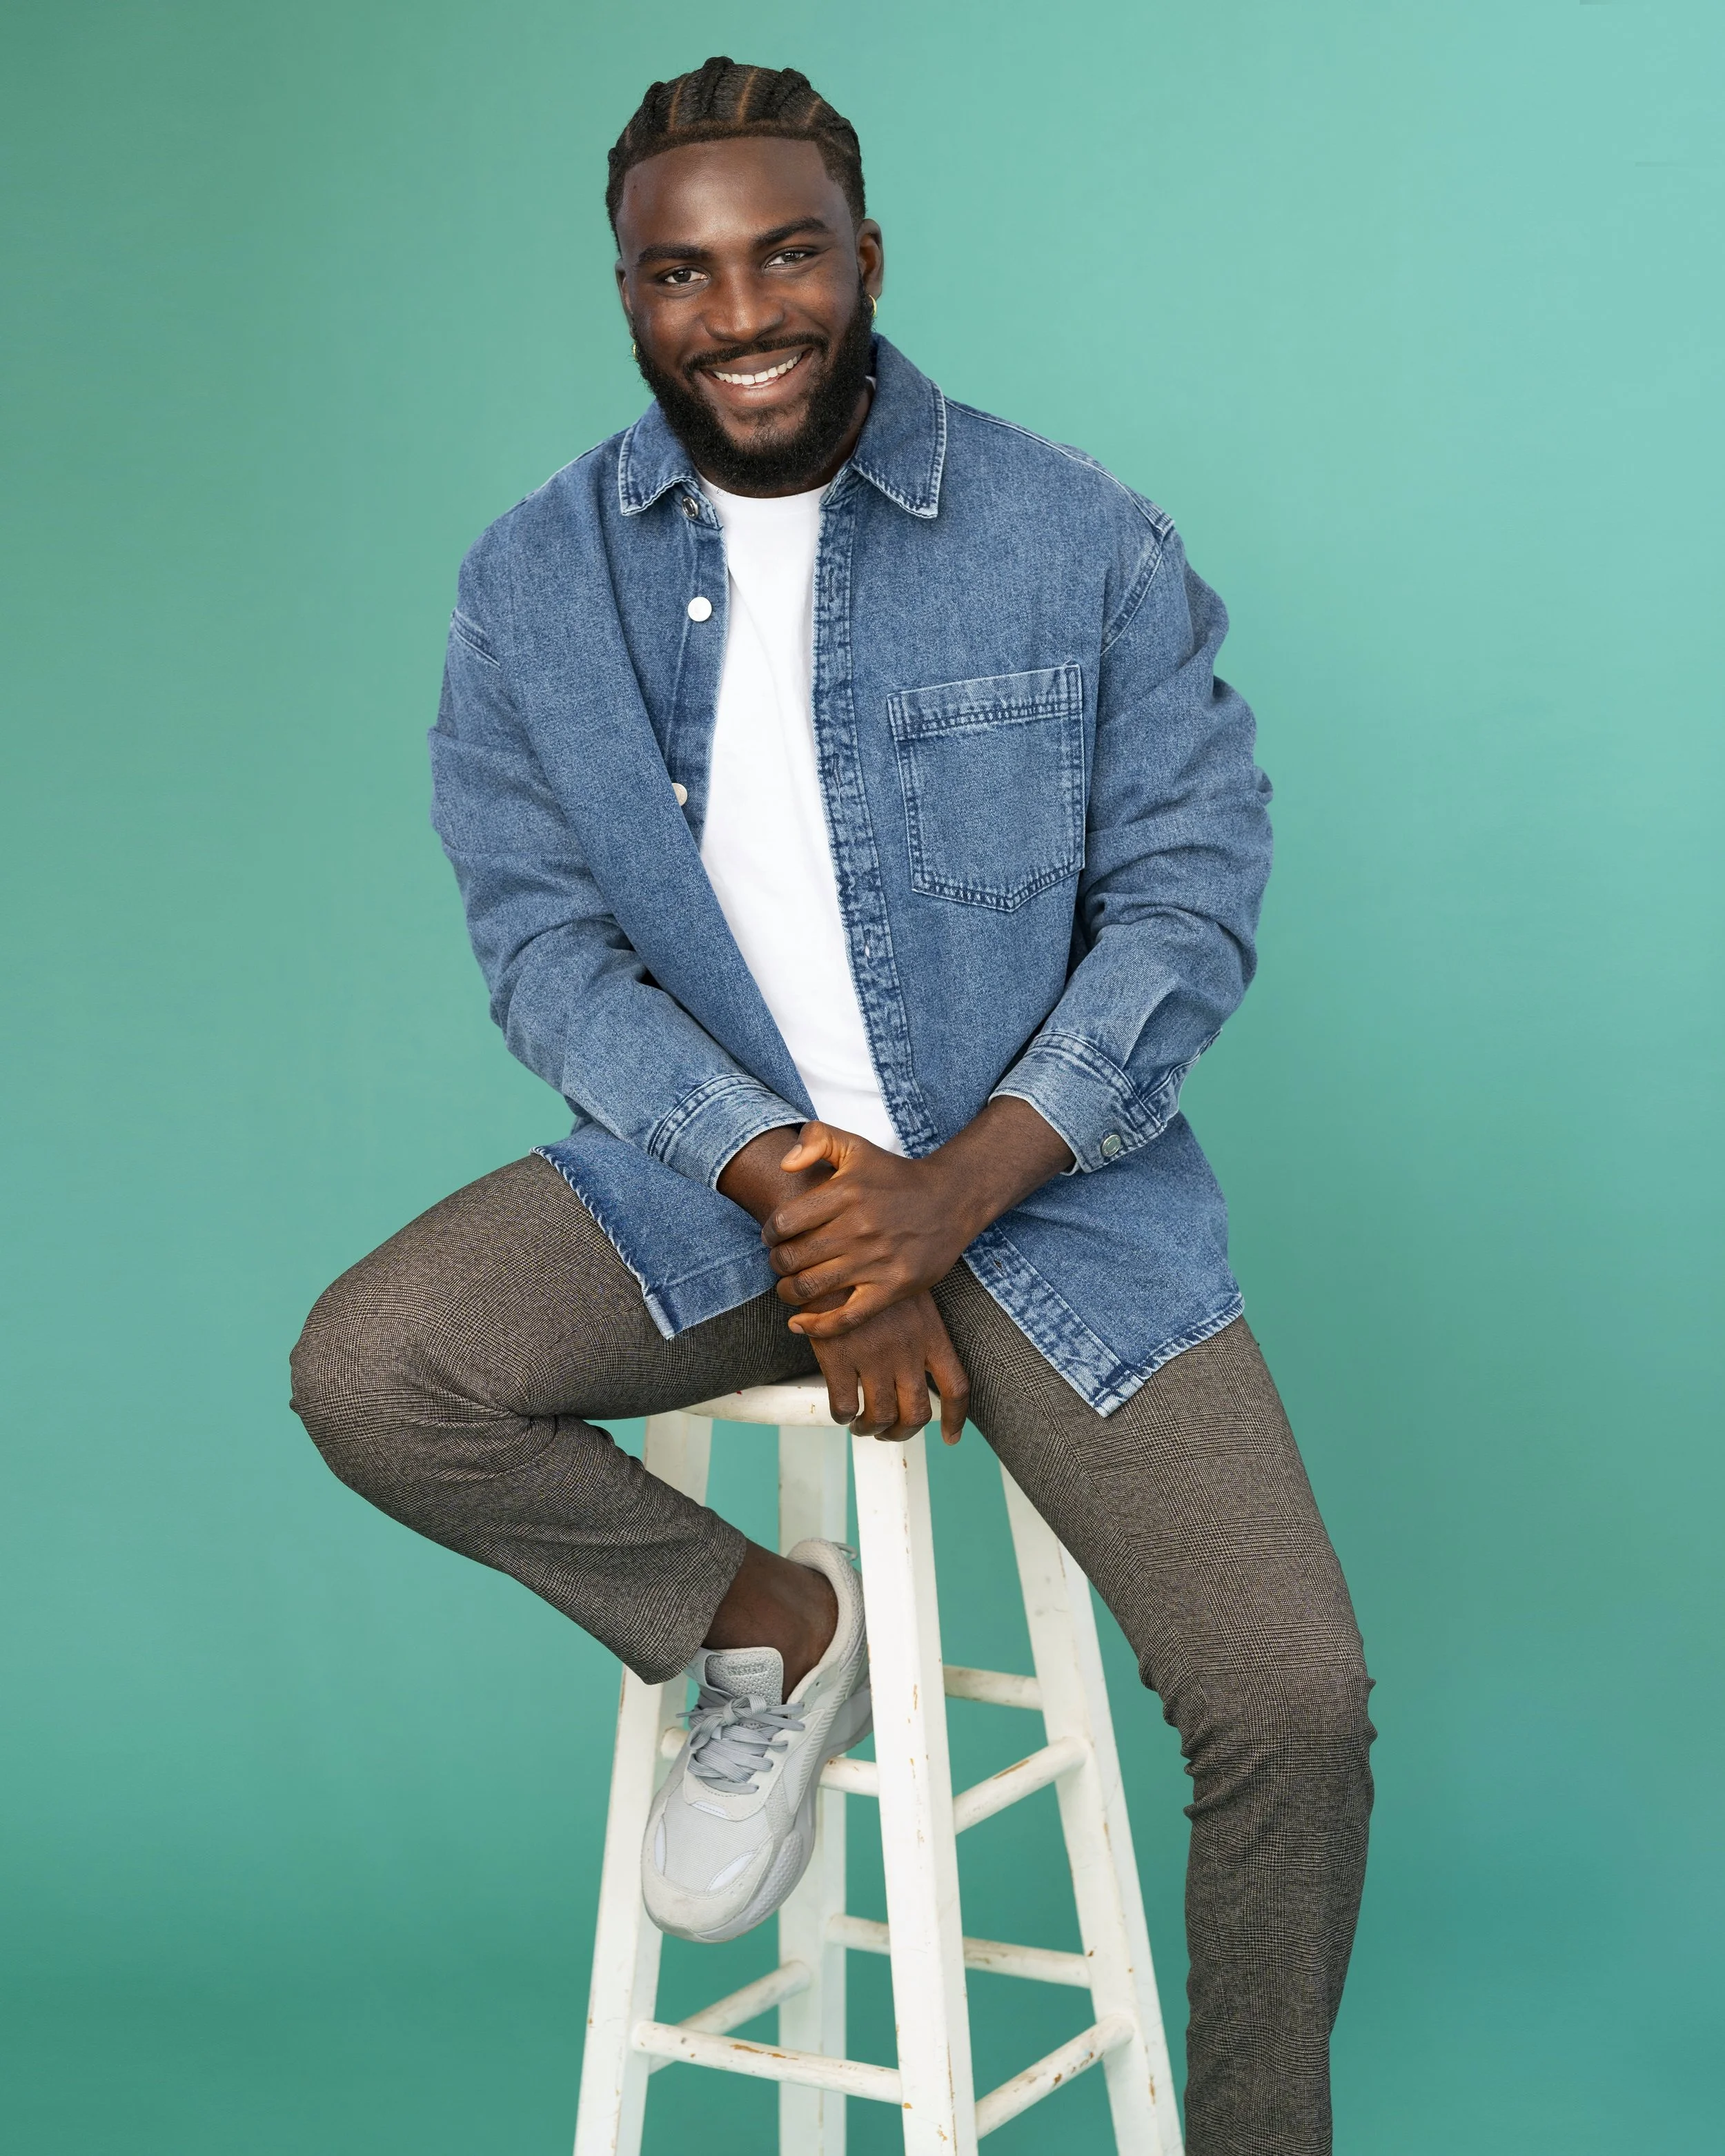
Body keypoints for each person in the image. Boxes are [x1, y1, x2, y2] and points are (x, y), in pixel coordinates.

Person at [290, 57, 1374, 2153]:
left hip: (1052, 1210)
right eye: (679, 272)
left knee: (1291, 1708)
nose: (742, 309)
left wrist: (944, 1205)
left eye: (786, 251)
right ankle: (763, 1629)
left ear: (865, 257)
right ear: (626, 295)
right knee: (373, 1368)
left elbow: (1184, 898)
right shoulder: (532, 586)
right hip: (711, 1196)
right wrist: (808, 1198)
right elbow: (543, 951)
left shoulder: (1079, 541)